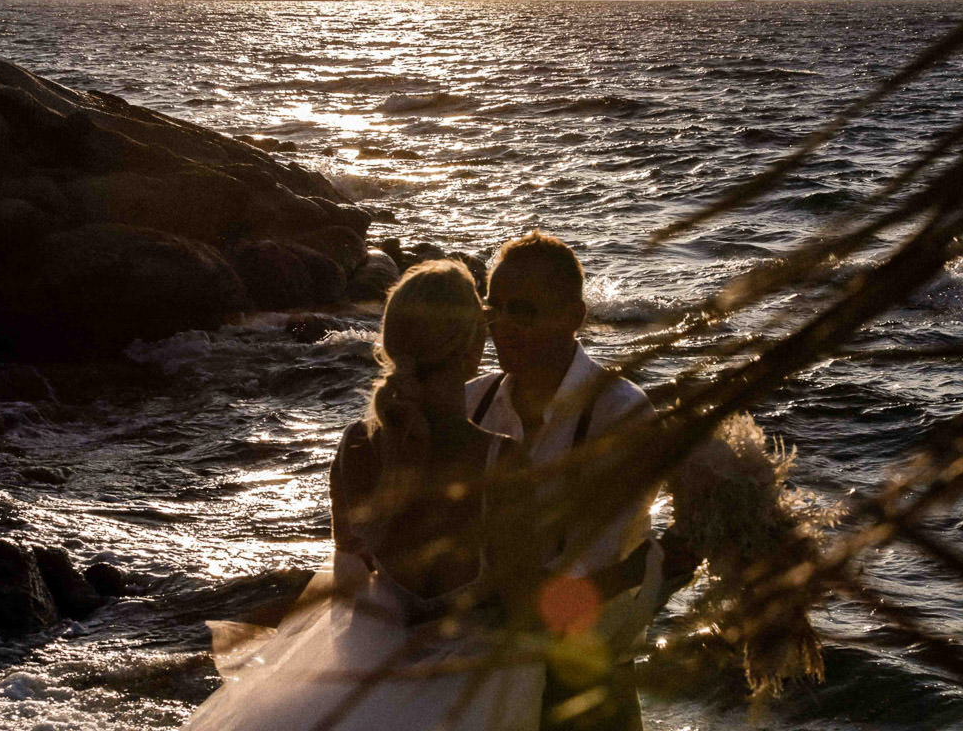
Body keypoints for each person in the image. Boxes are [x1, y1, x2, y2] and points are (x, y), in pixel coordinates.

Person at [186, 260, 542, 731]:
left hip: (374, 670)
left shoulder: (355, 445)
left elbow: (348, 587)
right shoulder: (502, 462)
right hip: (475, 694)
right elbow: (526, 609)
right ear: (473, 350)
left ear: (391, 345)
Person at [467, 232, 662, 731]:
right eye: (496, 310)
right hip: (479, 677)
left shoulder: (621, 415)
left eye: (525, 311)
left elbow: (600, 573)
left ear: (575, 316)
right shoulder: (472, 404)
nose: (505, 326)